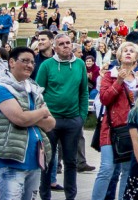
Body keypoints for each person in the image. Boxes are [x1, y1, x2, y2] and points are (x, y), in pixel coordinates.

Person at [0, 46, 55, 200]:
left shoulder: (33, 88)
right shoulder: (2, 88)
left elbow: (50, 124)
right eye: (25, 61)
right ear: (11, 62)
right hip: (11, 162)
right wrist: (42, 112)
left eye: (32, 62)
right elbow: (20, 119)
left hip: (34, 161)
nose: (30, 65)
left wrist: (31, 117)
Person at [35, 32, 90, 200]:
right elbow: (38, 93)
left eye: (68, 43)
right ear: (55, 47)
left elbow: (84, 92)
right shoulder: (47, 66)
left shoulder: (80, 65)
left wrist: (81, 116)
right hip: (51, 121)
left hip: (72, 120)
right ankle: (45, 196)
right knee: (48, 161)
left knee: (71, 161)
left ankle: (70, 196)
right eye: (62, 44)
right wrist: (43, 117)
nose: (66, 46)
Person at [94, 43, 138, 200]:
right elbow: (105, 98)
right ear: (119, 56)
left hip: (133, 130)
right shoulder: (110, 75)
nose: (128, 53)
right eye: (125, 51)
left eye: (132, 51)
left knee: (128, 171)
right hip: (112, 129)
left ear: (136, 57)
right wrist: (119, 81)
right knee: (106, 169)